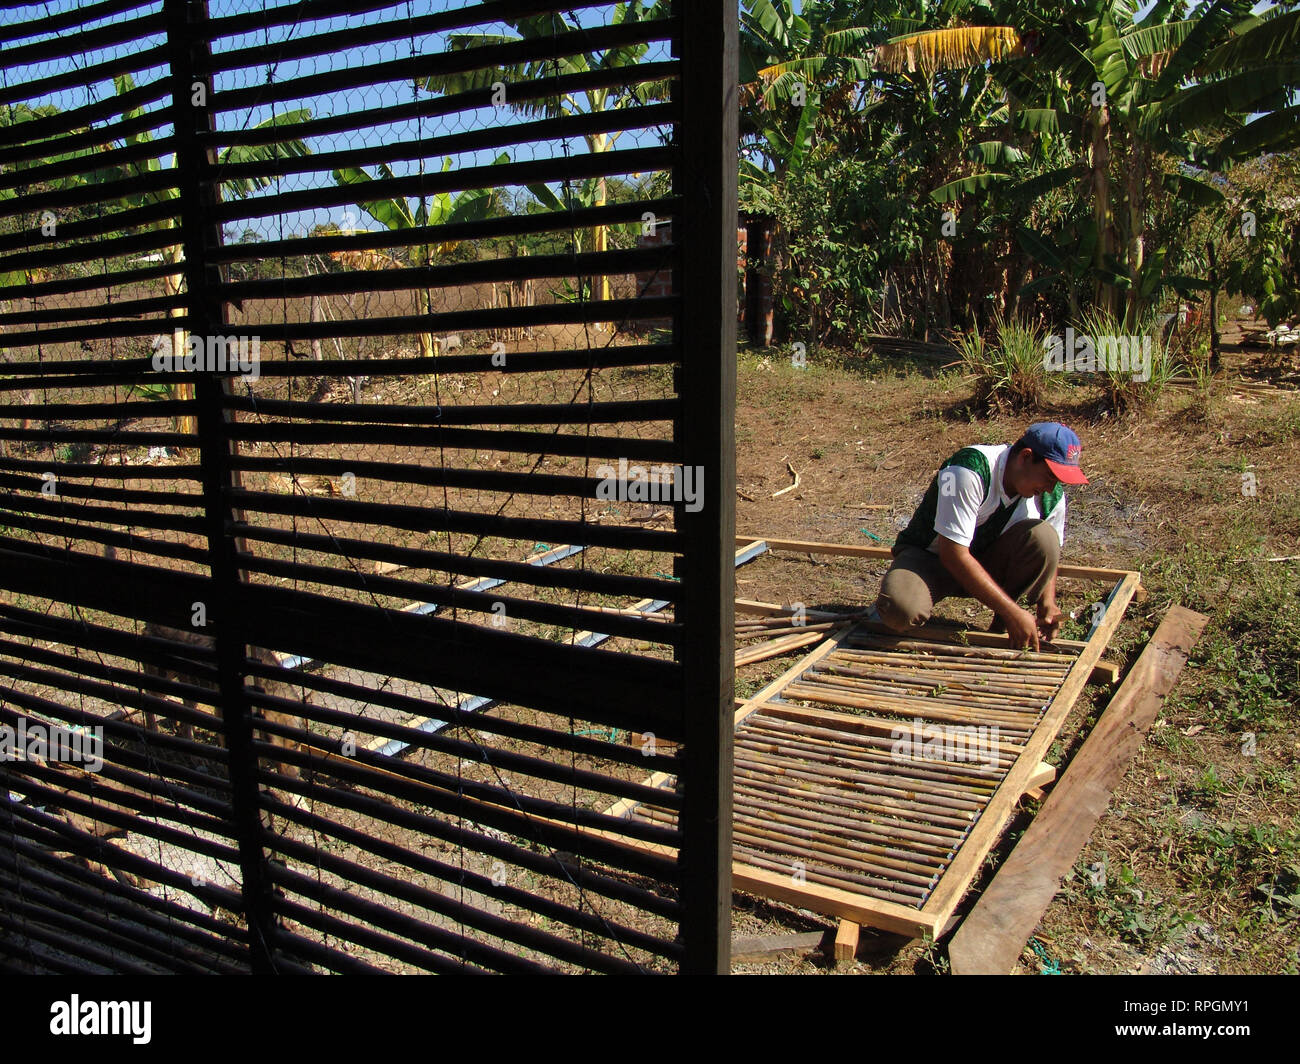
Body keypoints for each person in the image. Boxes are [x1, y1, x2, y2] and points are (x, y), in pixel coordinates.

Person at [871, 422, 1088, 652]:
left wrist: (1048, 603)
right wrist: (1013, 612)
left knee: (1044, 537)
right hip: (931, 560)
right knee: (899, 611)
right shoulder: (966, 470)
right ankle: (1012, 615)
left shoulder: (1050, 496)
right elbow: (953, 555)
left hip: (987, 562)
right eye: (1048, 476)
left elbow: (1049, 552)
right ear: (1025, 457)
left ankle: (1004, 627)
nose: (1049, 487)